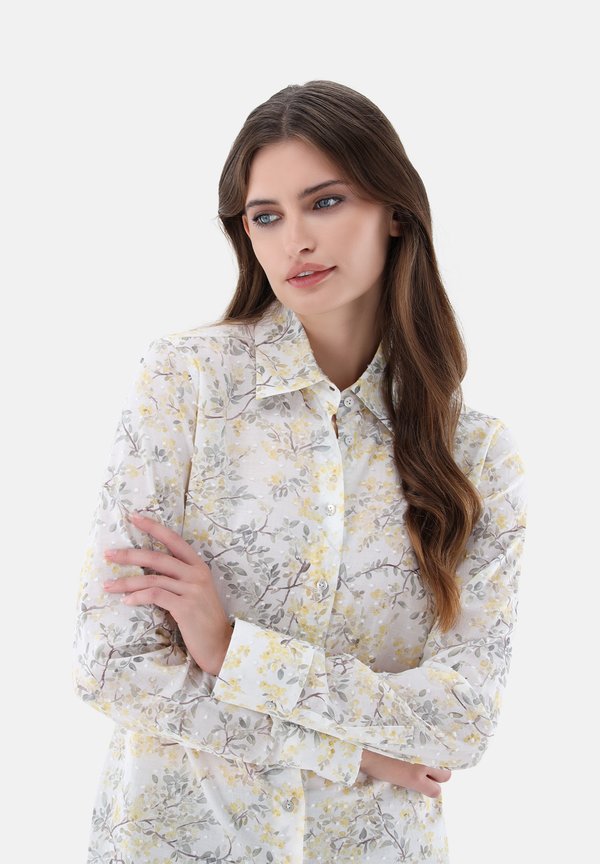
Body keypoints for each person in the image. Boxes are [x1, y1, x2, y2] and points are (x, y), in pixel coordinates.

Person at [73, 79, 528, 864]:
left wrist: (232, 650)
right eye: (266, 216)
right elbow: (113, 667)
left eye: (325, 202)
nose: (295, 242)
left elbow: (461, 723)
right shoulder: (189, 384)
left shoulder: (477, 455)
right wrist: (355, 754)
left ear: (395, 211)